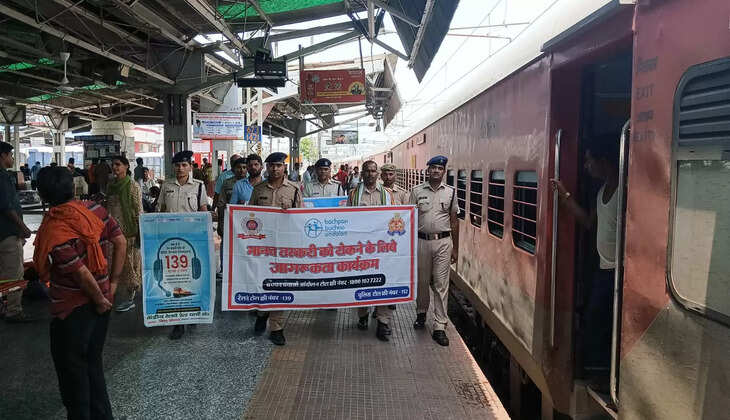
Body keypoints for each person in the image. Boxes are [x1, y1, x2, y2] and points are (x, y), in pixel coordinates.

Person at [33, 165, 126, 420]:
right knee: (93, 364)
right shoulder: (95, 210)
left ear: (43, 196)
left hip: (72, 311)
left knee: (73, 373)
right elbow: (120, 241)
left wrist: (99, 300)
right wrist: (112, 286)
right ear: (74, 188)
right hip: (102, 302)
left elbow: (81, 273)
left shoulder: (56, 227)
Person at [551, 141, 619, 389]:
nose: (587, 166)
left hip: (619, 271)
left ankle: (606, 376)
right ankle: (601, 373)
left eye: (590, 160)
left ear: (604, 161)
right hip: (604, 268)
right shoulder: (602, 192)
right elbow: (589, 223)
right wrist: (565, 197)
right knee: (597, 320)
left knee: (602, 321)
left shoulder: (625, 191)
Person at [250, 152, 302, 345]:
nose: (275, 169)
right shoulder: (258, 189)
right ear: (267, 167)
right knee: (262, 283)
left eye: (278, 165)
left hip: (283, 247)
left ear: (284, 167)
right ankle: (262, 313)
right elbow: (249, 215)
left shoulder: (294, 190)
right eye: (271, 165)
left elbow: (300, 219)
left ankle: (276, 327)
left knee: (279, 285)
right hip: (262, 247)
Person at [156, 150, 207, 340]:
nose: (180, 168)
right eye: (177, 165)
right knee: (174, 277)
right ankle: (178, 322)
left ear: (190, 167)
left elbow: (203, 212)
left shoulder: (199, 186)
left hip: (192, 240)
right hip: (170, 240)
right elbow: (161, 210)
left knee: (191, 277)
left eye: (184, 165)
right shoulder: (166, 186)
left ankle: (190, 311)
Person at [410, 155, 458, 347]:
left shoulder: (451, 192)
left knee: (440, 283)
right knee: (422, 281)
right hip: (421, 241)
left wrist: (456, 248)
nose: (436, 171)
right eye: (433, 168)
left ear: (444, 171)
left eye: (440, 168)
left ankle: (440, 326)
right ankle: (421, 313)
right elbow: (409, 218)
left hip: (443, 243)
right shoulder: (416, 191)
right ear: (427, 170)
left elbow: (454, 220)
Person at [347, 160, 393, 341]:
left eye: (373, 171)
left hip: (382, 247)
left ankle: (383, 321)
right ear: (362, 173)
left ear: (378, 174)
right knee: (362, 282)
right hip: (361, 248)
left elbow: (393, 218)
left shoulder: (387, 194)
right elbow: (347, 219)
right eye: (367, 171)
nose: (370, 174)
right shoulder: (353, 194)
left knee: (383, 282)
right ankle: (363, 315)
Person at [0, 142, 34, 322]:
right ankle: (13, 310)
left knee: (2, 273)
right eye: (11, 155)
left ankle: (3, 306)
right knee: (13, 273)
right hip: (8, 233)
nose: (12, 159)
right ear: (3, 156)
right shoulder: (3, 177)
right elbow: (7, 207)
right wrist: (23, 227)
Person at [105, 156, 143, 313]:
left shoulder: (133, 186)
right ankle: (114, 295)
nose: (115, 167)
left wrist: (139, 231)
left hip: (129, 232)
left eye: (118, 164)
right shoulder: (110, 185)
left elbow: (138, 209)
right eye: (113, 165)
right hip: (111, 231)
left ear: (127, 166)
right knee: (112, 263)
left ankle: (129, 298)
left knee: (129, 266)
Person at [216, 156, 247, 237]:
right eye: (239, 167)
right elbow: (221, 203)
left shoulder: (252, 183)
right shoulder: (227, 183)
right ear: (234, 168)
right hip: (230, 219)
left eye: (244, 167)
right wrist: (221, 223)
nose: (242, 170)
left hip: (246, 219)